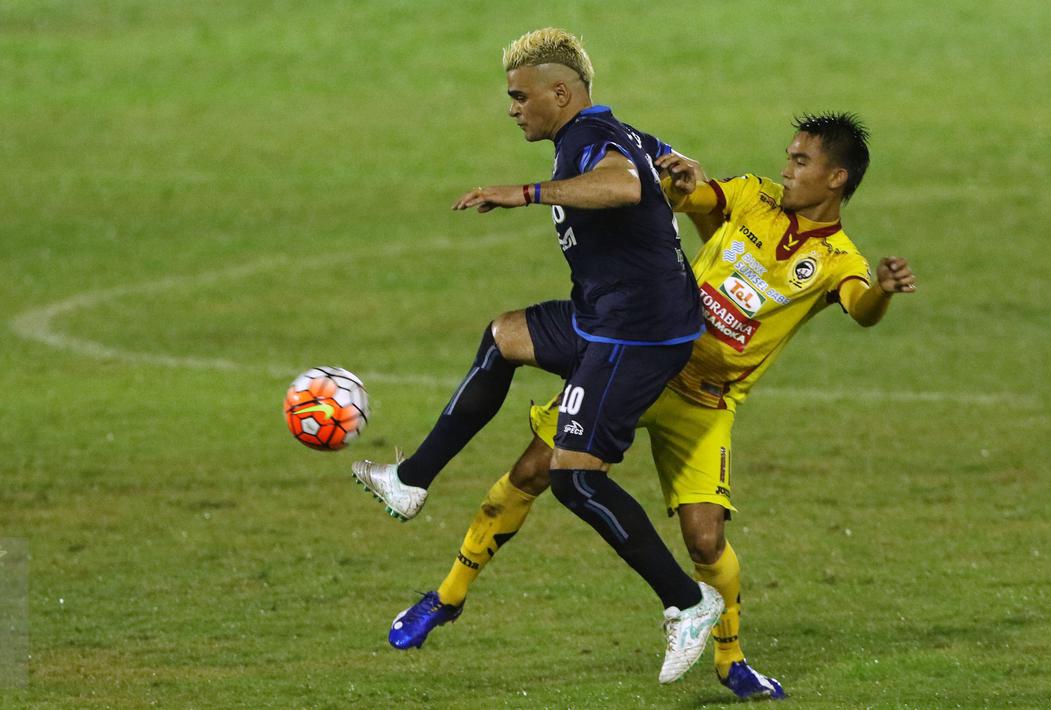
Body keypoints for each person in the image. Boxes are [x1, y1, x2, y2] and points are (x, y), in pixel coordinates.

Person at [386, 113, 918, 702]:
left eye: (800, 162)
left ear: (836, 178)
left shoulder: (840, 259)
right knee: (536, 469)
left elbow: (861, 308)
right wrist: (681, 180)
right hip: (645, 357)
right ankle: (447, 596)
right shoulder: (752, 195)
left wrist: (883, 294)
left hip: (707, 404)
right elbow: (689, 197)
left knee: (706, 541)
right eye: (788, 158)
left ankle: (731, 660)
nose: (785, 170)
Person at [351, 28, 724, 683]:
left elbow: (621, 186)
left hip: (634, 335)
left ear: (561, 93)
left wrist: (522, 193)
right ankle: (411, 480)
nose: (512, 107)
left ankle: (688, 602)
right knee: (504, 337)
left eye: (520, 96)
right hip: (601, 313)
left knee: (574, 478)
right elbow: (673, 166)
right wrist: (685, 173)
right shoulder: (616, 130)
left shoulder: (588, 141)